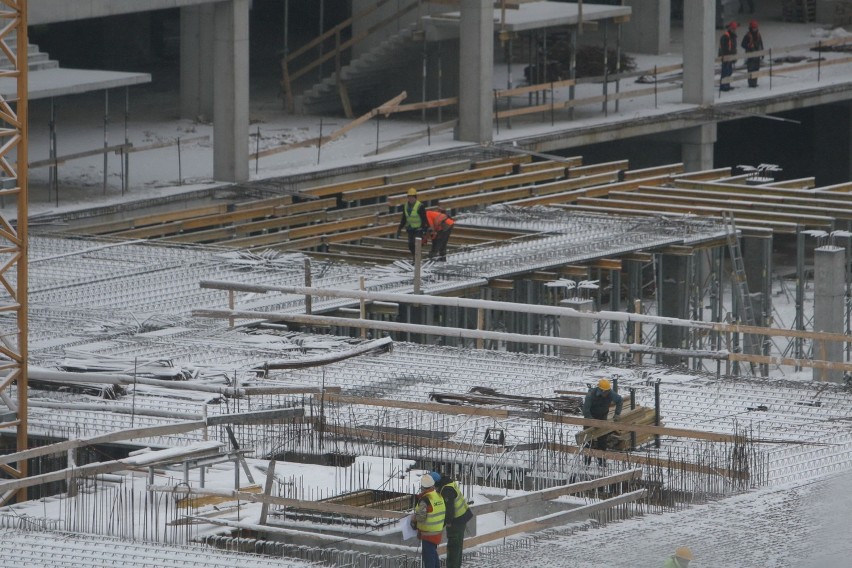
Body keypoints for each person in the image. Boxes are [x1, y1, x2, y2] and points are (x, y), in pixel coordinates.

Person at [430, 471, 473, 568]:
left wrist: (445, 523)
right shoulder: (447, 483)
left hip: (456, 522)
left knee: (453, 548)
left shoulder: (446, 490)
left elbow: (449, 510)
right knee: (457, 548)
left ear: (435, 483)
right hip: (461, 518)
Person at [581, 378, 623, 465]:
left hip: (602, 418)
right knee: (588, 440)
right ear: (600, 390)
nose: (607, 393)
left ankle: (601, 461)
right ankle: (587, 462)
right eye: (605, 392)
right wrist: (592, 422)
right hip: (589, 419)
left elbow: (619, 400)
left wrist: (617, 414)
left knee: (602, 441)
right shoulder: (590, 395)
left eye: (608, 391)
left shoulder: (610, 393)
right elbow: (585, 411)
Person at [411, 472, 445, 568]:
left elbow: (421, 517)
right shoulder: (438, 496)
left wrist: (414, 519)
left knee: (429, 559)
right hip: (437, 532)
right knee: (433, 555)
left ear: (422, 487)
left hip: (428, 534)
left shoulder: (425, 500)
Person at [396, 188, 428, 257]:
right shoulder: (406, 206)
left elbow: (424, 218)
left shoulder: (420, 206)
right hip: (410, 229)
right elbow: (404, 218)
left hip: (418, 229)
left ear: (415, 197)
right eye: (409, 197)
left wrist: (424, 229)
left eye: (412, 197)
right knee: (410, 245)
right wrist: (399, 229)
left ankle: (417, 260)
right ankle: (415, 257)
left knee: (416, 244)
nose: (410, 199)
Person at [741, 19, 764, 88]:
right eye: (754, 28)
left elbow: (761, 44)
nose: (755, 29)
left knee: (756, 69)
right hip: (750, 56)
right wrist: (748, 45)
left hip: (757, 56)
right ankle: (751, 84)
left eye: (756, 27)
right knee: (751, 69)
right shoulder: (747, 36)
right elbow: (742, 44)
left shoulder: (758, 35)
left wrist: (762, 53)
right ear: (751, 28)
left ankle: (754, 82)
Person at [719, 21, 738, 92]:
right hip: (726, 57)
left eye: (734, 29)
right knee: (725, 71)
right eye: (733, 28)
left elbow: (734, 48)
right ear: (730, 28)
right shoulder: (726, 36)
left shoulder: (733, 36)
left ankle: (727, 84)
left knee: (729, 71)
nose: (734, 30)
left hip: (730, 57)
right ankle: (723, 86)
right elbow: (724, 48)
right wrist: (727, 56)